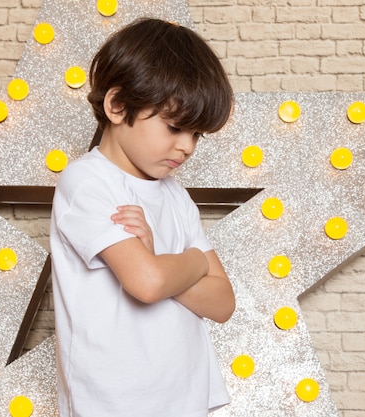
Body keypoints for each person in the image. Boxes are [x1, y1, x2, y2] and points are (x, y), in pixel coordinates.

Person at [50, 17, 236, 417]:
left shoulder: (175, 195)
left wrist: (160, 262)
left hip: (184, 395)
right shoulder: (87, 182)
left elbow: (222, 303)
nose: (186, 147)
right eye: (174, 127)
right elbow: (147, 284)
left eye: (197, 135)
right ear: (117, 106)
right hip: (113, 402)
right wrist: (195, 262)